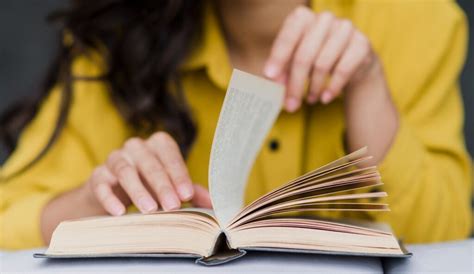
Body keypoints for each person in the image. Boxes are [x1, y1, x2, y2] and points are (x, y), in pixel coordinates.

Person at [0, 0, 471, 249]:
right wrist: (93, 203)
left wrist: (368, 86)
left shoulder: (419, 19)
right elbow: (7, 226)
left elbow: (447, 243)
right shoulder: (116, 44)